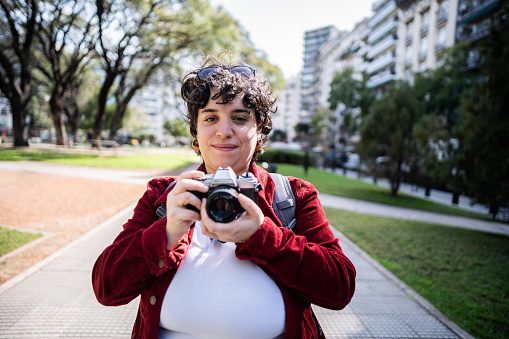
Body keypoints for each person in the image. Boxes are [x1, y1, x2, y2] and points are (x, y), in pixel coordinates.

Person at [92, 55, 356, 339]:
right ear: (196, 128)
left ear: (260, 127)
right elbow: (106, 289)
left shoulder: (292, 197)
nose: (224, 131)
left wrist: (263, 237)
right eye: (210, 118)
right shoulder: (162, 197)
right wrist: (167, 234)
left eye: (240, 118)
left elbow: (340, 288)